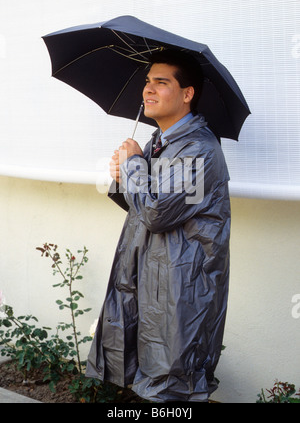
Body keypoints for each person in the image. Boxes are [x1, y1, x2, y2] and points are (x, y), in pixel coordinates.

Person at [86, 49, 231, 402]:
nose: (147, 90)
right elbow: (142, 206)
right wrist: (123, 176)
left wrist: (134, 164)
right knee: (149, 377)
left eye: (161, 82)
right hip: (149, 277)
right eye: (148, 81)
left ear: (187, 94)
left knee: (172, 383)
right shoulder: (160, 143)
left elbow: (156, 212)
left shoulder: (199, 150)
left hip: (181, 288)